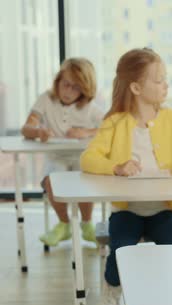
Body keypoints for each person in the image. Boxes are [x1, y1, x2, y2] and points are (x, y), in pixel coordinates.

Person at [80, 48, 172, 305]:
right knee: (119, 252)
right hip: (128, 211)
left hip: (164, 210)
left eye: (165, 78)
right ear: (136, 87)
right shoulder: (114, 123)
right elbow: (88, 158)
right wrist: (115, 167)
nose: (166, 85)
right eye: (159, 80)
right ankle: (112, 289)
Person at [21, 57, 102, 247]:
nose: (68, 91)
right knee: (51, 180)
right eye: (65, 84)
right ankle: (64, 223)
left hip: (82, 157)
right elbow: (26, 128)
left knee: (86, 180)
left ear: (85, 89)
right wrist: (38, 131)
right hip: (56, 156)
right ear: (58, 81)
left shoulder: (90, 109)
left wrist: (86, 132)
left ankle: (87, 223)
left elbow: (110, 128)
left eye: (76, 88)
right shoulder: (46, 100)